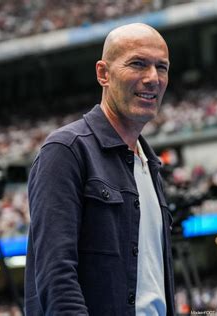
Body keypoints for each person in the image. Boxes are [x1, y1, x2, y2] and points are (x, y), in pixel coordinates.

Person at [25, 23, 175, 315]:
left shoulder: (150, 164)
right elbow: (56, 275)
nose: (153, 78)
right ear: (103, 74)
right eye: (138, 64)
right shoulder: (66, 150)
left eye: (162, 67)